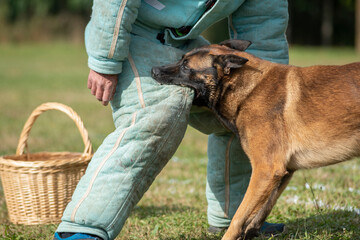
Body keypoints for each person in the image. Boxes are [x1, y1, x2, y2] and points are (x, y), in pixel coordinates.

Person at [54, 0, 289, 239]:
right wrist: (106, 59)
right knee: (156, 115)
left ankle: (237, 219)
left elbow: (264, 23)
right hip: (130, 33)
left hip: (186, 41)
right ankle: (82, 226)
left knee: (247, 112)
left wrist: (269, 97)